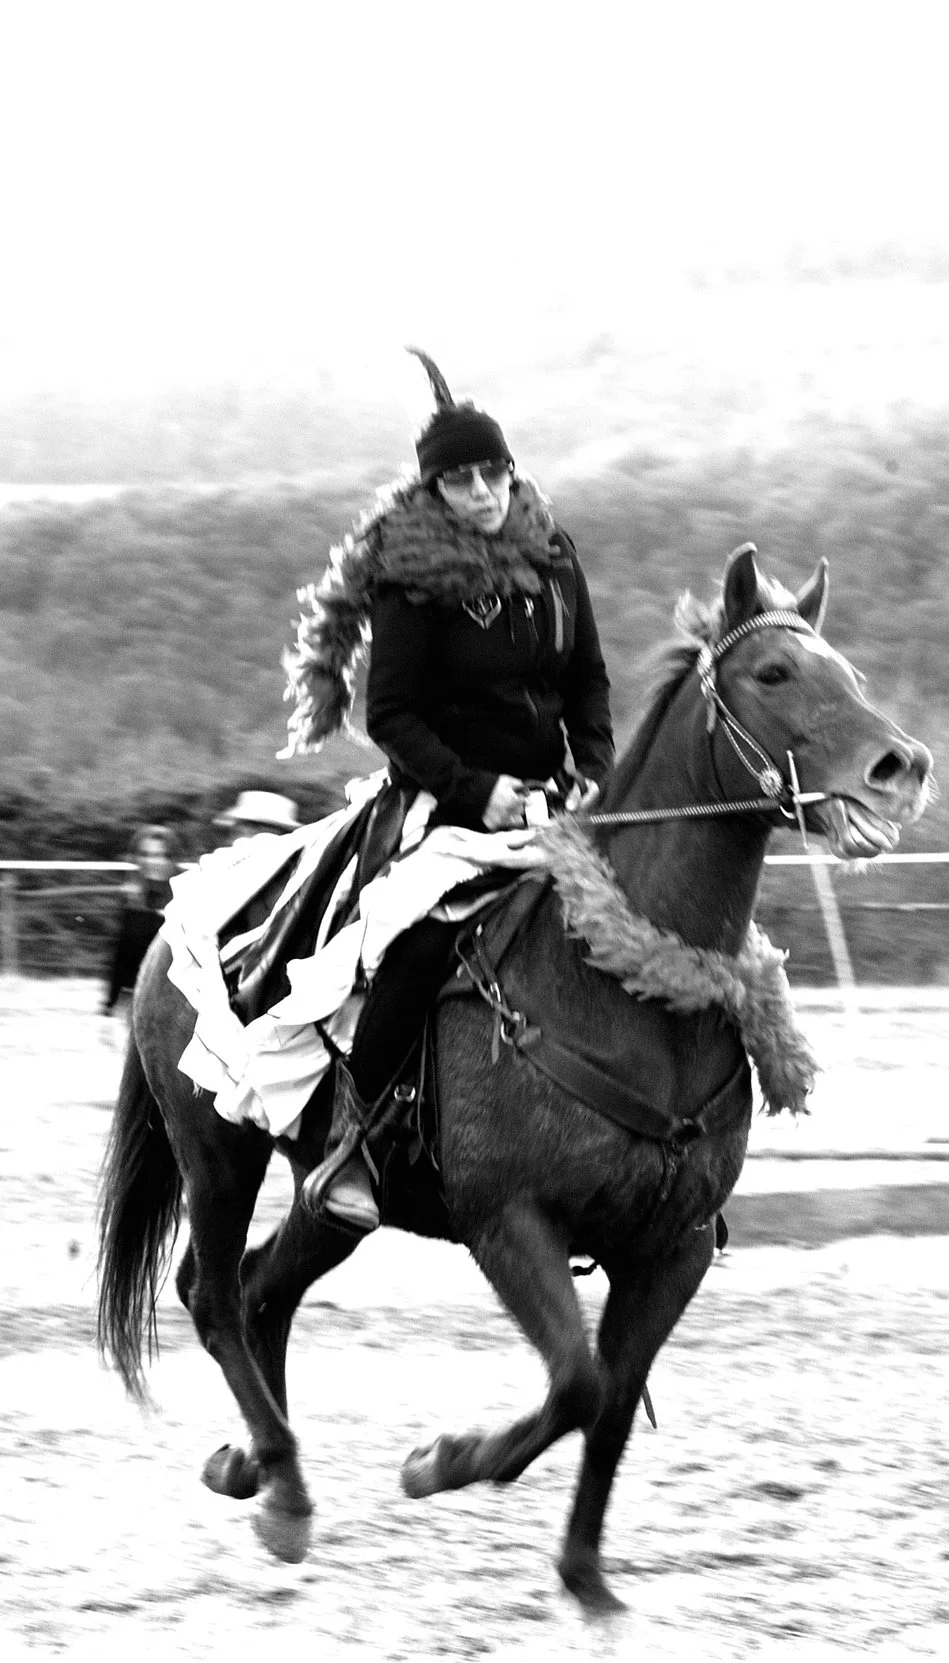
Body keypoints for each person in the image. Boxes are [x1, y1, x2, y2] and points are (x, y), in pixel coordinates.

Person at [276, 348, 615, 1229]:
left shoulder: (553, 551)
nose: (481, 491)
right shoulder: (411, 576)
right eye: (459, 480)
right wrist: (479, 791)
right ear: (433, 491)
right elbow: (391, 717)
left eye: (491, 471)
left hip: (557, 797)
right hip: (444, 805)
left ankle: (651, 1154)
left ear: (511, 469)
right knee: (422, 939)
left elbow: (587, 675)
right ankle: (359, 1136)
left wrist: (595, 762)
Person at [103, 824, 179, 1021]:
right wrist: (109, 1005)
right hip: (137, 1003)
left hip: (179, 1004)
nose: (153, 861)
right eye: (146, 854)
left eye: (162, 855)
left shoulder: (187, 895)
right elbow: (120, 956)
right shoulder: (131, 899)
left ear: (173, 857)